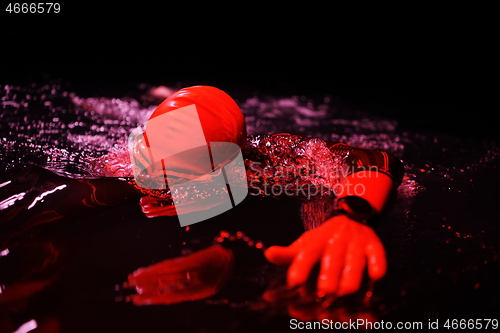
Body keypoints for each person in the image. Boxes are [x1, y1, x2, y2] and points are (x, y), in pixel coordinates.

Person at [124, 85, 404, 298]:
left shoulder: (273, 161)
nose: (168, 188)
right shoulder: (125, 159)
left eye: (180, 177)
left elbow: (374, 160)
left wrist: (352, 214)